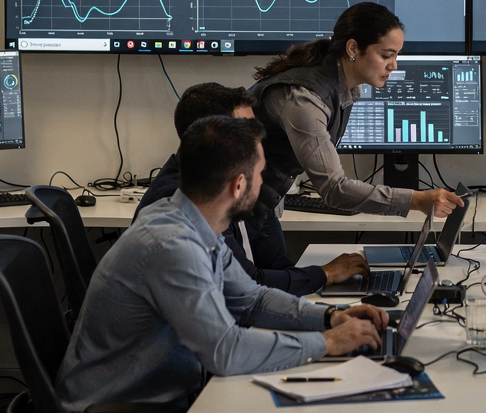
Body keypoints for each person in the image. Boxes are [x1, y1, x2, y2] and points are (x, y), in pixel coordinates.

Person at [57, 115, 389, 413]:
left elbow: (251, 299)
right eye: (260, 172)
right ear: (238, 185)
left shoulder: (192, 219)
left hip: (160, 405)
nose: (265, 180)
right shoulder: (171, 246)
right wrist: (327, 344)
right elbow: (226, 352)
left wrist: (331, 319)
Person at [136, 82, 370, 296]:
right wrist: (324, 275)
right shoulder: (181, 202)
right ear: (210, 138)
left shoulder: (217, 181)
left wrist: (316, 287)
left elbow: (259, 248)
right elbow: (245, 285)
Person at [249, 2, 463, 218]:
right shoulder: (305, 100)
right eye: (386, 55)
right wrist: (416, 200)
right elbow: (334, 190)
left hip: (261, 202)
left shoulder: (339, 83)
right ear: (352, 49)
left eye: (396, 55)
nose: (394, 66)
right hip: (232, 208)